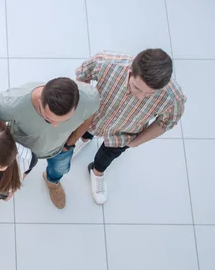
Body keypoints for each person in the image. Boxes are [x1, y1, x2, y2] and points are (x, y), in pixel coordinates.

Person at [74, 49, 186, 204]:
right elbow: (83, 73)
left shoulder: (174, 97)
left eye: (149, 94)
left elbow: (166, 122)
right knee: (87, 130)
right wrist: (83, 107)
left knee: (108, 156)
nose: (140, 97)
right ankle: (84, 139)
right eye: (137, 88)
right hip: (95, 116)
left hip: (125, 132)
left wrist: (136, 142)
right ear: (130, 71)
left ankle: (97, 171)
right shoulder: (107, 63)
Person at [0, 77, 99, 209]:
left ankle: (52, 182)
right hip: (23, 148)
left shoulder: (90, 97)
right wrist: (6, 150)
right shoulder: (12, 103)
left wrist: (70, 143)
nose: (55, 125)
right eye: (48, 119)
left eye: (63, 120)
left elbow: (89, 117)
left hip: (62, 147)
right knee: (14, 175)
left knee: (61, 169)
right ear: (40, 100)